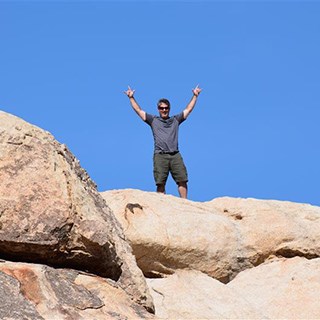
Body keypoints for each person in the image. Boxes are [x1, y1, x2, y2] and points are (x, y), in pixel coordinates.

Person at [124, 85, 202, 199]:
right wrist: (131, 98)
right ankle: (161, 203)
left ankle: (185, 203)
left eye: (166, 108)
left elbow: (188, 109)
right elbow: (138, 111)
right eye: (162, 108)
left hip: (175, 154)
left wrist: (195, 96)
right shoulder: (153, 120)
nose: (164, 110)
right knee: (160, 183)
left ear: (169, 109)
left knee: (182, 180)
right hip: (160, 155)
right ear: (158, 109)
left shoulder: (175, 120)